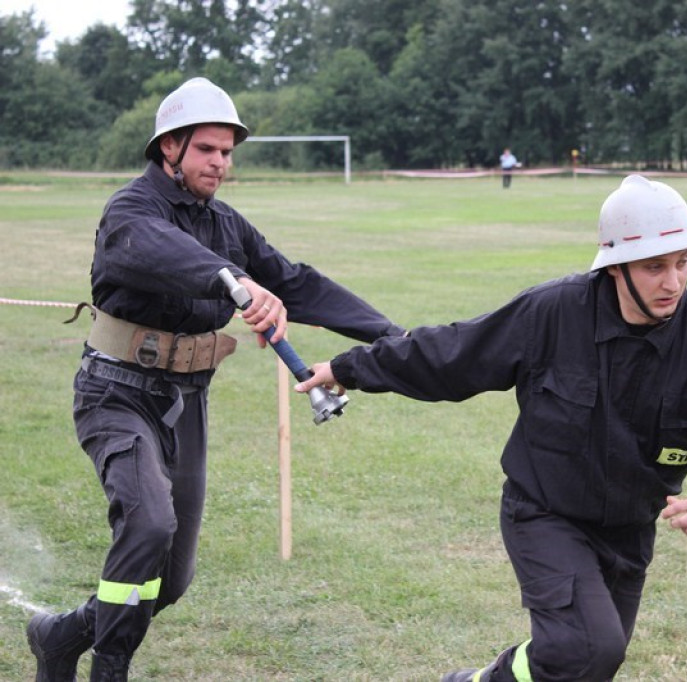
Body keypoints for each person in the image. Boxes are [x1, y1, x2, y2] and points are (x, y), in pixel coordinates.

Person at [296, 174, 687, 681]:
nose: (673, 282)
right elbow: (455, 355)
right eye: (655, 266)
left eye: (683, 262)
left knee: (583, 666)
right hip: (544, 512)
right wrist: (350, 369)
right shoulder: (553, 312)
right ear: (616, 266)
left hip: (629, 531)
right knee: (590, 648)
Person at [26, 77, 404, 682]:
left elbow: (297, 282)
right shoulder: (131, 211)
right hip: (115, 394)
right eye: (207, 150)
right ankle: (110, 669)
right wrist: (234, 281)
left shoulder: (225, 224)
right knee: (149, 523)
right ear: (170, 148)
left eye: (227, 152)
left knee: (170, 579)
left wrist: (390, 334)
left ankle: (61, 635)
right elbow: (156, 251)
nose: (220, 164)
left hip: (187, 403)